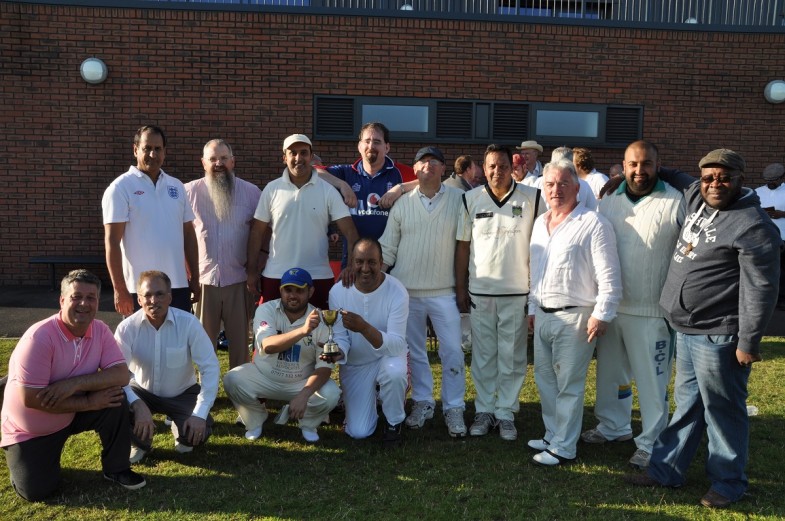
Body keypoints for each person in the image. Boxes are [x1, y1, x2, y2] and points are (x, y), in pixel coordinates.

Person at [625, 149, 780, 509]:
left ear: (741, 179)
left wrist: (748, 342)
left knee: (723, 411)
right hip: (687, 329)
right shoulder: (696, 194)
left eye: (724, 177)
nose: (714, 184)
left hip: (720, 335)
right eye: (709, 177)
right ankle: (666, 471)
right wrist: (620, 178)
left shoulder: (753, 225)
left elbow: (761, 289)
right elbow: (675, 174)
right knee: (688, 406)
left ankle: (728, 483)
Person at [582, 141, 685, 470]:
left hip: (653, 312)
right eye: (633, 165)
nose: (640, 171)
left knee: (652, 382)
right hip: (613, 308)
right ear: (622, 166)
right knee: (612, 376)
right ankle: (614, 426)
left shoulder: (676, 200)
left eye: (647, 164)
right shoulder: (608, 199)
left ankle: (652, 440)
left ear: (658, 164)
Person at [1, 270, 145, 500]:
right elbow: (32, 399)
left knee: (114, 398)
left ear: (98, 301)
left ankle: (117, 468)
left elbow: (121, 375)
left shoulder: (99, 329)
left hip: (71, 411)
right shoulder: (39, 338)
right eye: (76, 297)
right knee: (37, 491)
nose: (84, 304)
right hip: (31, 429)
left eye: (91, 298)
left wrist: (75, 384)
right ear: (62, 300)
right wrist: (87, 401)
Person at [526, 159, 621, 466]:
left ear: (577, 188)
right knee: (545, 380)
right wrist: (531, 307)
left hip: (577, 316)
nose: (556, 190)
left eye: (563, 183)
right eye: (550, 184)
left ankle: (564, 446)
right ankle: (553, 434)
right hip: (543, 313)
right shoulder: (540, 223)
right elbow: (535, 272)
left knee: (569, 384)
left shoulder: (593, 223)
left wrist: (602, 313)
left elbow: (610, 275)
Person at [455, 144, 542, 441]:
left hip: (517, 293)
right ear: (483, 166)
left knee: (513, 356)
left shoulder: (532, 197)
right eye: (491, 166)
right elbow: (463, 246)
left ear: (511, 166)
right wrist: (460, 288)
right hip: (481, 292)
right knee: (482, 355)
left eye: (502, 165)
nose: (496, 171)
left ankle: (505, 412)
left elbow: (540, 246)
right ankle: (484, 409)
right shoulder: (470, 199)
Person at [379, 146, 467, 437]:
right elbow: (388, 247)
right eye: (422, 162)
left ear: (444, 169)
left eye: (435, 162)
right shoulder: (402, 204)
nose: (428, 165)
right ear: (414, 170)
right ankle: (423, 402)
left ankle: (454, 407)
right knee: (414, 352)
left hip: (445, 291)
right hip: (407, 291)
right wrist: (372, 272)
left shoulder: (460, 199)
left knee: (452, 351)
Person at [223, 267, 341, 443]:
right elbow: (268, 346)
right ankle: (255, 419)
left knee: (331, 393)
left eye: (299, 290)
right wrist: (303, 330)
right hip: (264, 377)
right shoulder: (266, 309)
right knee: (232, 379)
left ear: (311, 291)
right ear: (280, 290)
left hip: (300, 383)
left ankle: (308, 423)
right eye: (288, 290)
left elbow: (324, 367)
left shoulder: (321, 318)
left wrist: (304, 394)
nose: (293, 295)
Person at [114, 270, 220, 464]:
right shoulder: (127, 328)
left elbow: (210, 367)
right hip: (142, 391)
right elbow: (116, 373)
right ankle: (139, 442)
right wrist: (137, 405)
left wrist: (199, 414)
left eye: (160, 294)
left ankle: (180, 427)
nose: (153, 300)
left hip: (183, 392)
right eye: (147, 295)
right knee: (117, 408)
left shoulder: (189, 323)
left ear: (170, 297)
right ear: (139, 299)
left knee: (197, 434)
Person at [246, 134, 359, 309]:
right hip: (276, 275)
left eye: (304, 153)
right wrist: (252, 271)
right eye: (293, 153)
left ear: (311, 157)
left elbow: (351, 233)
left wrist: (351, 266)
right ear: (284, 158)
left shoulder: (328, 191)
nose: (298, 158)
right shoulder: (271, 189)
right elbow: (256, 232)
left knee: (318, 333)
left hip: (317, 277)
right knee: (274, 334)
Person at [103, 125, 199, 315]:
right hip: (139, 289)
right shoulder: (120, 188)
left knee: (177, 343)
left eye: (158, 149)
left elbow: (188, 235)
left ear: (165, 151)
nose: (153, 154)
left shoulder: (177, 187)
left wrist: (195, 278)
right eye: (147, 148)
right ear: (135, 149)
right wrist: (119, 289)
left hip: (177, 286)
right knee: (140, 344)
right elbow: (112, 242)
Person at [185, 139, 261, 369]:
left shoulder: (251, 193)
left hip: (238, 280)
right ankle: (206, 393)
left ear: (233, 161)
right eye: (213, 159)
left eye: (224, 158)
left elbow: (263, 233)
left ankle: (240, 391)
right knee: (203, 345)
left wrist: (254, 272)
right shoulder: (188, 192)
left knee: (239, 345)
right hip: (202, 282)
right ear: (203, 163)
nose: (219, 163)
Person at [329, 238, 409, 447]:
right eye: (359, 261)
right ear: (352, 263)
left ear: (381, 262)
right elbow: (340, 337)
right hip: (356, 364)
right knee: (359, 432)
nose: (365, 268)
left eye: (372, 262)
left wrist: (364, 328)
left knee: (394, 373)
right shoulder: (338, 292)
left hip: (387, 356)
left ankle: (394, 422)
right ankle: (373, 397)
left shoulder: (397, 290)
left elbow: (397, 345)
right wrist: (336, 352)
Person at [317, 122, 416, 266]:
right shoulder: (347, 173)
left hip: (391, 261)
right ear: (359, 146)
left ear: (386, 147)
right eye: (367, 141)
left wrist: (399, 188)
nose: (371, 146)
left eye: (377, 142)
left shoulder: (398, 172)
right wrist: (342, 184)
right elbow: (314, 171)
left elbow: (430, 181)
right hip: (354, 260)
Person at [755, 162, 785, 309]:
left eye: (773, 180)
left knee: (783, 270)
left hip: (783, 236)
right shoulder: (758, 192)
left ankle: (781, 300)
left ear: (782, 178)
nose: (770, 183)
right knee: (764, 269)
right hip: (763, 237)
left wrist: (782, 214)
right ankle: (765, 299)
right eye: (768, 181)